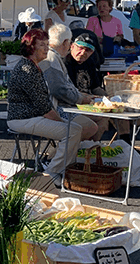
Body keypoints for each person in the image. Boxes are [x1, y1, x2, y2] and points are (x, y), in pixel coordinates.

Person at [6, 28, 84, 181]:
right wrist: (62, 122)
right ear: (31, 47)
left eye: (47, 44)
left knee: (75, 129)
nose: (47, 48)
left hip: (29, 117)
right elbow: (44, 108)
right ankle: (52, 173)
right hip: (23, 118)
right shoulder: (27, 69)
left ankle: (61, 170)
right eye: (42, 45)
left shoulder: (33, 66)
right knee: (73, 131)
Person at [40, 25, 104, 141]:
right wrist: (81, 99)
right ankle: (64, 152)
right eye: (79, 47)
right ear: (67, 43)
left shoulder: (52, 55)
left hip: (52, 106)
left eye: (88, 50)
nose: (83, 52)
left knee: (101, 117)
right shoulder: (52, 58)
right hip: (51, 109)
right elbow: (58, 90)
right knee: (89, 127)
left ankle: (89, 149)